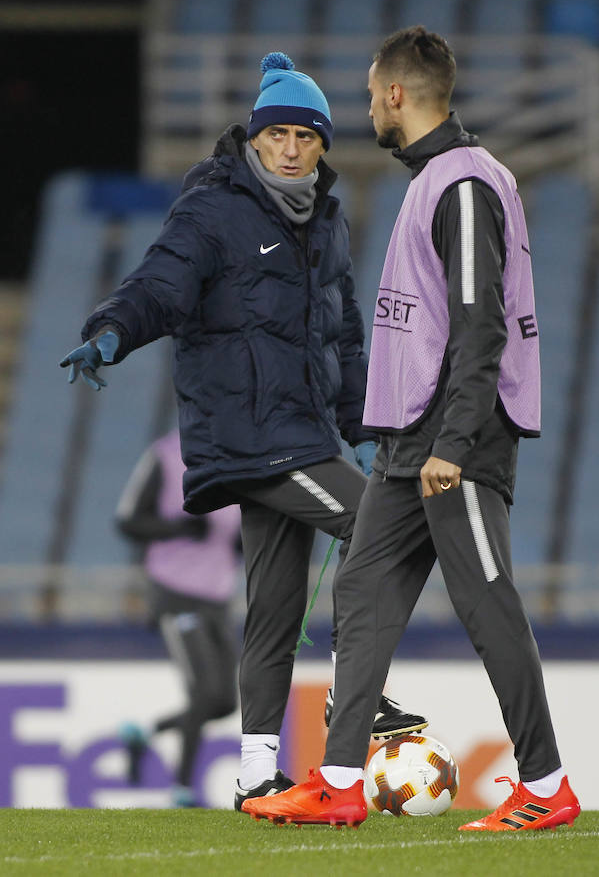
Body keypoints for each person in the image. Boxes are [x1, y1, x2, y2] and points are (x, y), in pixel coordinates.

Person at [59, 52, 426, 812]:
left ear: (324, 146)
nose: (291, 148)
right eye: (278, 134)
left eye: (306, 136)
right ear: (253, 139)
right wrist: (109, 332)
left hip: (305, 431)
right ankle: (359, 694)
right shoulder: (211, 210)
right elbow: (158, 285)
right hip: (251, 434)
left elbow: (345, 334)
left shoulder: (325, 218)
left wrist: (359, 426)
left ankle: (257, 774)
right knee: (381, 524)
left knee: (273, 611)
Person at [242, 27, 581, 831]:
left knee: (487, 603)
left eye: (368, 94)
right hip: (411, 442)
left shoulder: (462, 185)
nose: (367, 107)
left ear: (395, 94)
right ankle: (336, 781)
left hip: (450, 440)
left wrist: (453, 445)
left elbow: (480, 325)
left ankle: (546, 784)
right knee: (359, 591)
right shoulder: (442, 179)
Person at [115, 428, 242, 808]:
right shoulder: (166, 455)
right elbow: (128, 521)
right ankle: (182, 789)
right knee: (203, 692)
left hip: (218, 595)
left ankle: (145, 734)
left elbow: (238, 532)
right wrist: (178, 528)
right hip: (175, 592)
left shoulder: (241, 454)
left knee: (223, 703)